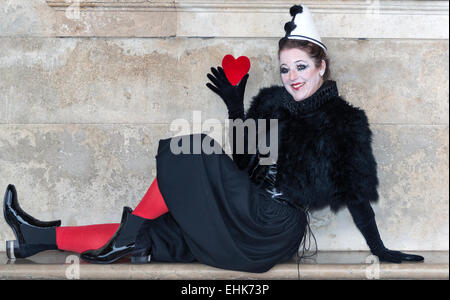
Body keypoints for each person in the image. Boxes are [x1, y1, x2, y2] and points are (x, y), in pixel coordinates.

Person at [3, 4, 423, 272]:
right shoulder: (273, 104)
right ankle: (35, 239)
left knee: (192, 149)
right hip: (243, 212)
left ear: (320, 66)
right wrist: (236, 104)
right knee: (158, 233)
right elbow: (241, 166)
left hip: (273, 227)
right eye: (284, 68)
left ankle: (127, 234)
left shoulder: (344, 121)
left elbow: (355, 192)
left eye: (300, 67)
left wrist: (380, 249)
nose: (291, 77)